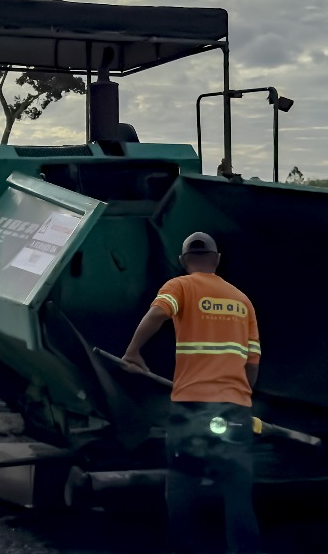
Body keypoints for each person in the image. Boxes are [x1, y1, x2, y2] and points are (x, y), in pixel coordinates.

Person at [122, 231, 261, 554]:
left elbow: (157, 314)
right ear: (217, 260)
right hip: (234, 408)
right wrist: (241, 394)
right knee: (238, 493)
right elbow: (252, 363)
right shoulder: (242, 300)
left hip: (190, 406)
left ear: (183, 261)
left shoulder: (180, 287)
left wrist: (133, 352)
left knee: (183, 486)